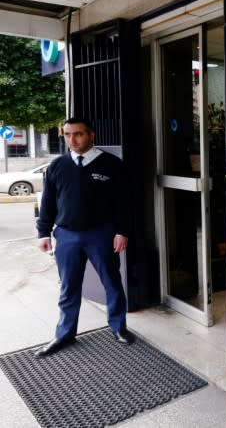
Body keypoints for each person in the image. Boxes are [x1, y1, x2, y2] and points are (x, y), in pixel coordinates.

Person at [34, 117, 134, 357]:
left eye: (78, 134)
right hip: (66, 236)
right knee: (68, 287)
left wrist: (122, 231)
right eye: (67, 135)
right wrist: (43, 233)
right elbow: (47, 203)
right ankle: (65, 334)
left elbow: (124, 202)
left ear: (91, 135)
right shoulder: (57, 166)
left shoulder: (111, 164)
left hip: (101, 234)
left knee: (111, 282)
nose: (72, 139)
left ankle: (119, 327)